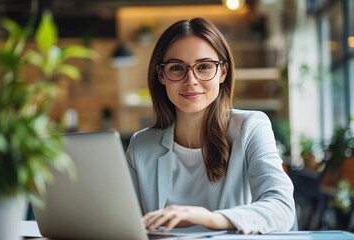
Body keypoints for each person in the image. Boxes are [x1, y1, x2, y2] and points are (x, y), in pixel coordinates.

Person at [126, 17, 295, 234]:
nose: (191, 80)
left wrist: (210, 219)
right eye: (177, 68)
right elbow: (128, 225)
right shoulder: (141, 145)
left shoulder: (251, 128)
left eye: (204, 66)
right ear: (161, 75)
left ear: (223, 72)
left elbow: (282, 208)